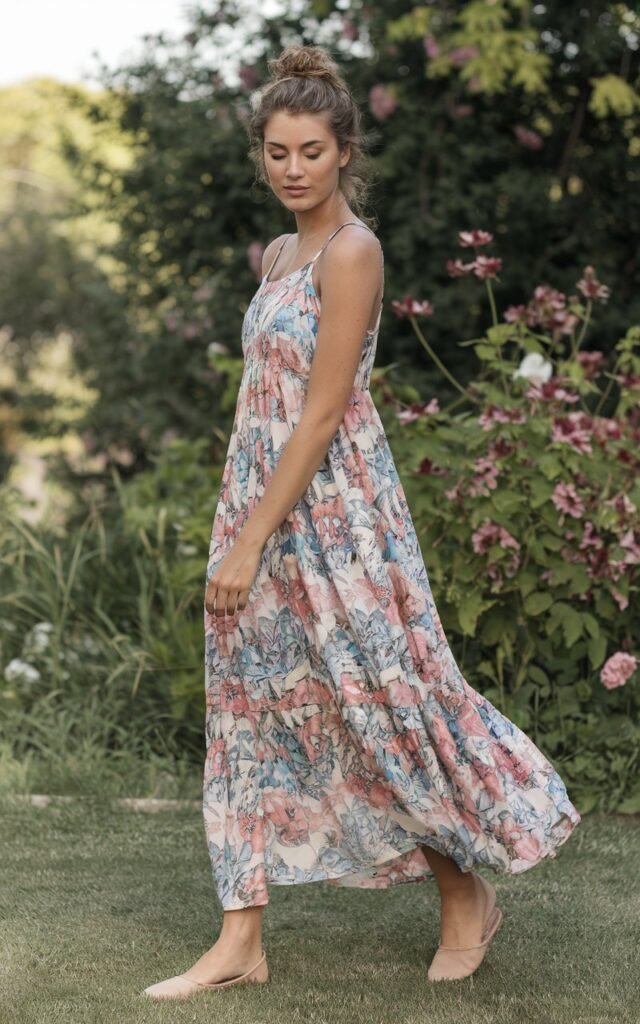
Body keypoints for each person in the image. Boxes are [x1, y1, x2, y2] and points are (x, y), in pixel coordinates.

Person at [143, 43, 581, 1001]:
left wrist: (252, 540)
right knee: (248, 704)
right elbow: (263, 406)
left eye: (311, 150)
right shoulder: (279, 255)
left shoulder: (353, 251)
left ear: (344, 150)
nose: (293, 168)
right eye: (277, 152)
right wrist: (241, 523)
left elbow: (323, 411)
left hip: (337, 518)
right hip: (260, 501)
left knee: (379, 702)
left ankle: (465, 894)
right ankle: (240, 938)